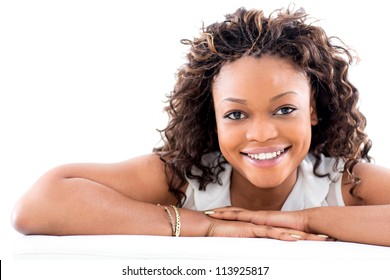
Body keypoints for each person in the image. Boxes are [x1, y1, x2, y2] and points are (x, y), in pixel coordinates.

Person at [11, 6, 390, 246]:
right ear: (212, 118)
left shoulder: (342, 183)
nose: (260, 134)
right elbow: (37, 206)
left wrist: (305, 220)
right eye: (236, 114)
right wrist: (208, 227)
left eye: (284, 109)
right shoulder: (187, 177)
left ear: (314, 110)